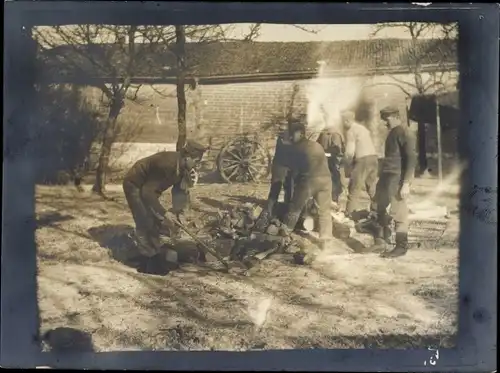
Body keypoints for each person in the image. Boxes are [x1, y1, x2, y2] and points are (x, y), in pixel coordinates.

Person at [122, 140, 207, 259]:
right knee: (144, 217)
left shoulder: (184, 168)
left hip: (151, 188)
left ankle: (155, 247)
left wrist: (179, 213)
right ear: (187, 157)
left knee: (156, 218)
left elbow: (179, 192)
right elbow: (146, 193)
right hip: (135, 183)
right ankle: (145, 255)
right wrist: (165, 212)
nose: (197, 165)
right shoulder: (166, 164)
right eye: (196, 161)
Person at [368, 106, 417, 258]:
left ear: (396, 116)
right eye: (383, 119)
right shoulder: (393, 133)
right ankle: (381, 241)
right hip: (387, 177)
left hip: (397, 178)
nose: (385, 123)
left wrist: (406, 183)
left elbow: (411, 158)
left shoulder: (404, 132)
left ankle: (401, 246)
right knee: (378, 206)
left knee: (399, 211)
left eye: (387, 119)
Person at [279, 119, 334, 249]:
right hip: (326, 180)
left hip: (310, 180)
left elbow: (293, 172)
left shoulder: (297, 148)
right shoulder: (316, 145)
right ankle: (326, 241)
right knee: (324, 210)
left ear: (300, 134)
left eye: (293, 134)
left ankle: (284, 234)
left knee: (295, 208)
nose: (291, 137)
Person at [341, 109, 379, 220]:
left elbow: (349, 152)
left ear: (347, 120)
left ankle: (348, 214)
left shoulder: (351, 130)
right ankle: (378, 211)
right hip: (373, 158)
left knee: (354, 187)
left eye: (343, 121)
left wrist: (344, 163)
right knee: (372, 187)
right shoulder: (362, 128)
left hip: (363, 160)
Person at [316, 124, 345, 210]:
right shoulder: (333, 134)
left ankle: (330, 201)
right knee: (334, 181)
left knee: (331, 181)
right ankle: (333, 201)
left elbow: (336, 150)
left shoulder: (327, 133)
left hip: (327, 161)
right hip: (329, 162)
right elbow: (338, 150)